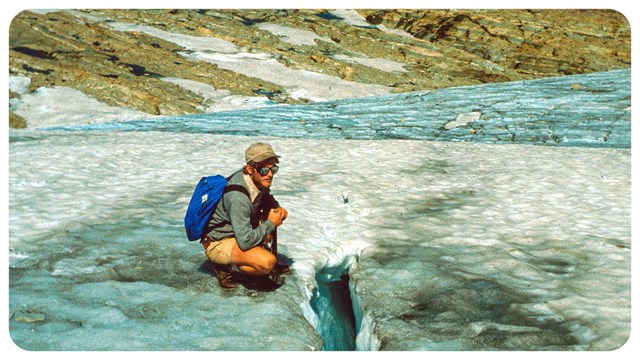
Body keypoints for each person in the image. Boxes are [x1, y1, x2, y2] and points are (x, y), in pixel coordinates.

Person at [202, 142, 289, 289]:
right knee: (266, 263)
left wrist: (277, 208)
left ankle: (247, 261)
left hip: (237, 233)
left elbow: (266, 197)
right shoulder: (238, 197)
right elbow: (245, 241)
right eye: (264, 170)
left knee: (270, 215)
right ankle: (225, 266)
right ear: (250, 169)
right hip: (218, 241)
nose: (270, 174)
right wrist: (271, 223)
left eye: (273, 169)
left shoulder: (255, 181)